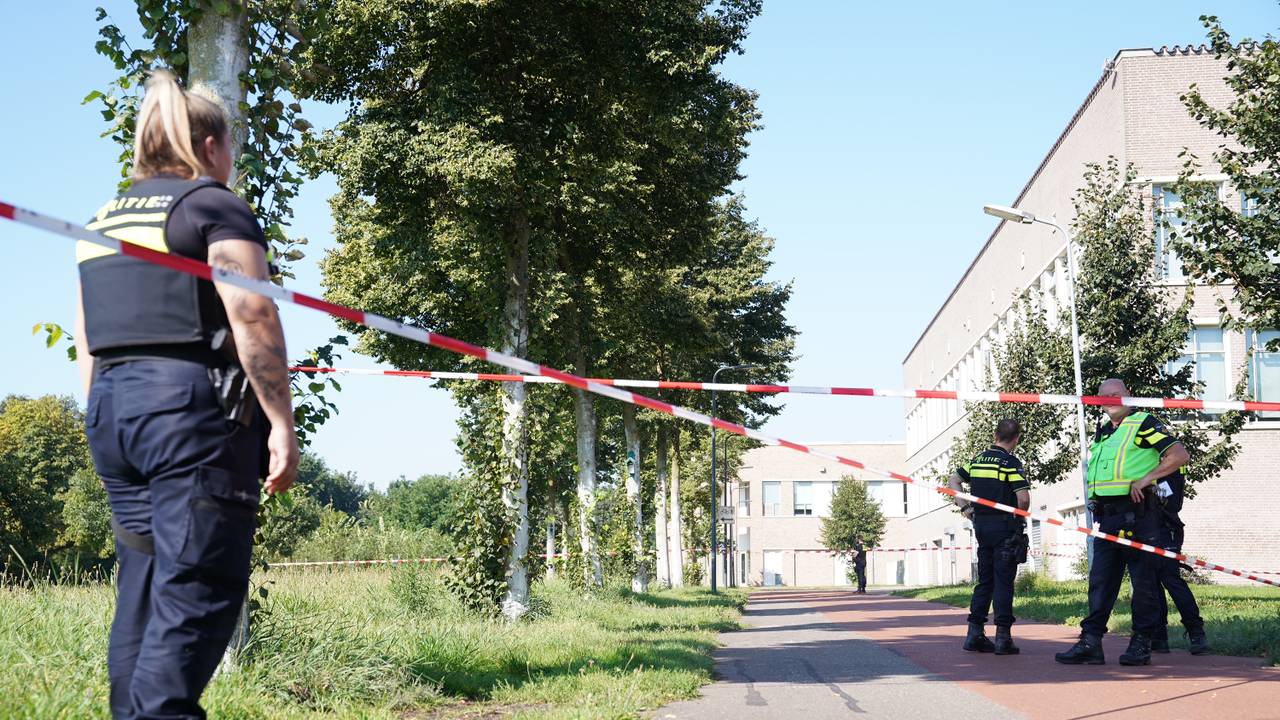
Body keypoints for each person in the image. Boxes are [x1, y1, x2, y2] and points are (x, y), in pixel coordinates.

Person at [74, 71, 299, 719]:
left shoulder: (102, 221)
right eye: (231, 148)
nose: (232, 162)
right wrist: (281, 422)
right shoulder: (214, 206)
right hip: (190, 418)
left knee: (143, 592)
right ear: (208, 147)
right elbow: (252, 316)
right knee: (197, 589)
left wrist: (104, 425)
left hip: (114, 415)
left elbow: (90, 340)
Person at [1055, 378, 1190, 667]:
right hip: (1109, 518)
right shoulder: (1103, 432)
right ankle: (1091, 642)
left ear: (1128, 396)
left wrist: (1146, 478)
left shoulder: (1143, 422)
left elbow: (1179, 455)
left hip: (1142, 516)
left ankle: (1141, 643)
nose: (1110, 400)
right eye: (1104, 396)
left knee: (1144, 585)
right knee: (1100, 582)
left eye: (1116, 394)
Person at [948, 418, 1031, 656]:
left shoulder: (977, 460)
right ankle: (1003, 637)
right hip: (1005, 527)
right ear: (1017, 439)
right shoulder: (1010, 462)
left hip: (982, 526)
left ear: (995, 435)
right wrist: (1020, 516)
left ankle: (975, 633)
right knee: (1003, 581)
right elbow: (1023, 497)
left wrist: (965, 508)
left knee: (985, 581)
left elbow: (953, 480)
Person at [1152, 467, 1210, 654]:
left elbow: (1171, 502)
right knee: (1151, 583)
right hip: (1145, 529)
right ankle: (1158, 636)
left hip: (1165, 530)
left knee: (1171, 579)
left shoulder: (1165, 464)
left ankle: (1196, 632)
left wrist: (1146, 489)